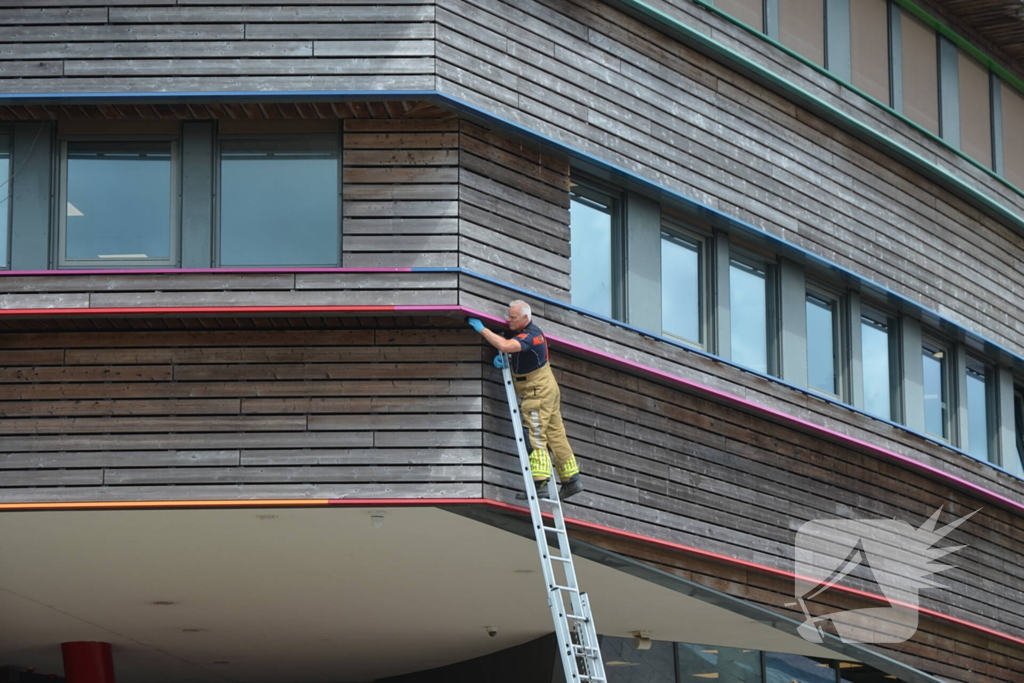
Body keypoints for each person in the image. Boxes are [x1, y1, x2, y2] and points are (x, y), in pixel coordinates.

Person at [467, 301, 584, 501]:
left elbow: (505, 345)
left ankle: (540, 483)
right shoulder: (529, 335)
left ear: (525, 318)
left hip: (537, 392)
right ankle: (571, 480)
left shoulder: (531, 336)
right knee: (555, 434)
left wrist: (482, 329)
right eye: (508, 316)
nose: (508, 320)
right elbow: (524, 362)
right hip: (545, 388)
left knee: (534, 433)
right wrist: (508, 363)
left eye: (513, 317)